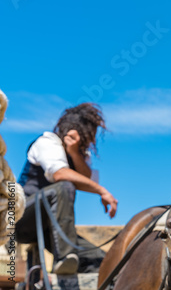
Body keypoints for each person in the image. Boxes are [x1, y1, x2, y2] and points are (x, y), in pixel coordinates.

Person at [16, 103, 118, 275]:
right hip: (23, 219)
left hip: (51, 230)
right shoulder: (47, 142)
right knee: (63, 186)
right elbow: (60, 174)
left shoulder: (79, 156)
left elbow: (84, 179)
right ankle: (65, 258)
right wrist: (102, 191)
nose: (90, 141)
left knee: (103, 262)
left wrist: (74, 153)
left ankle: (71, 260)